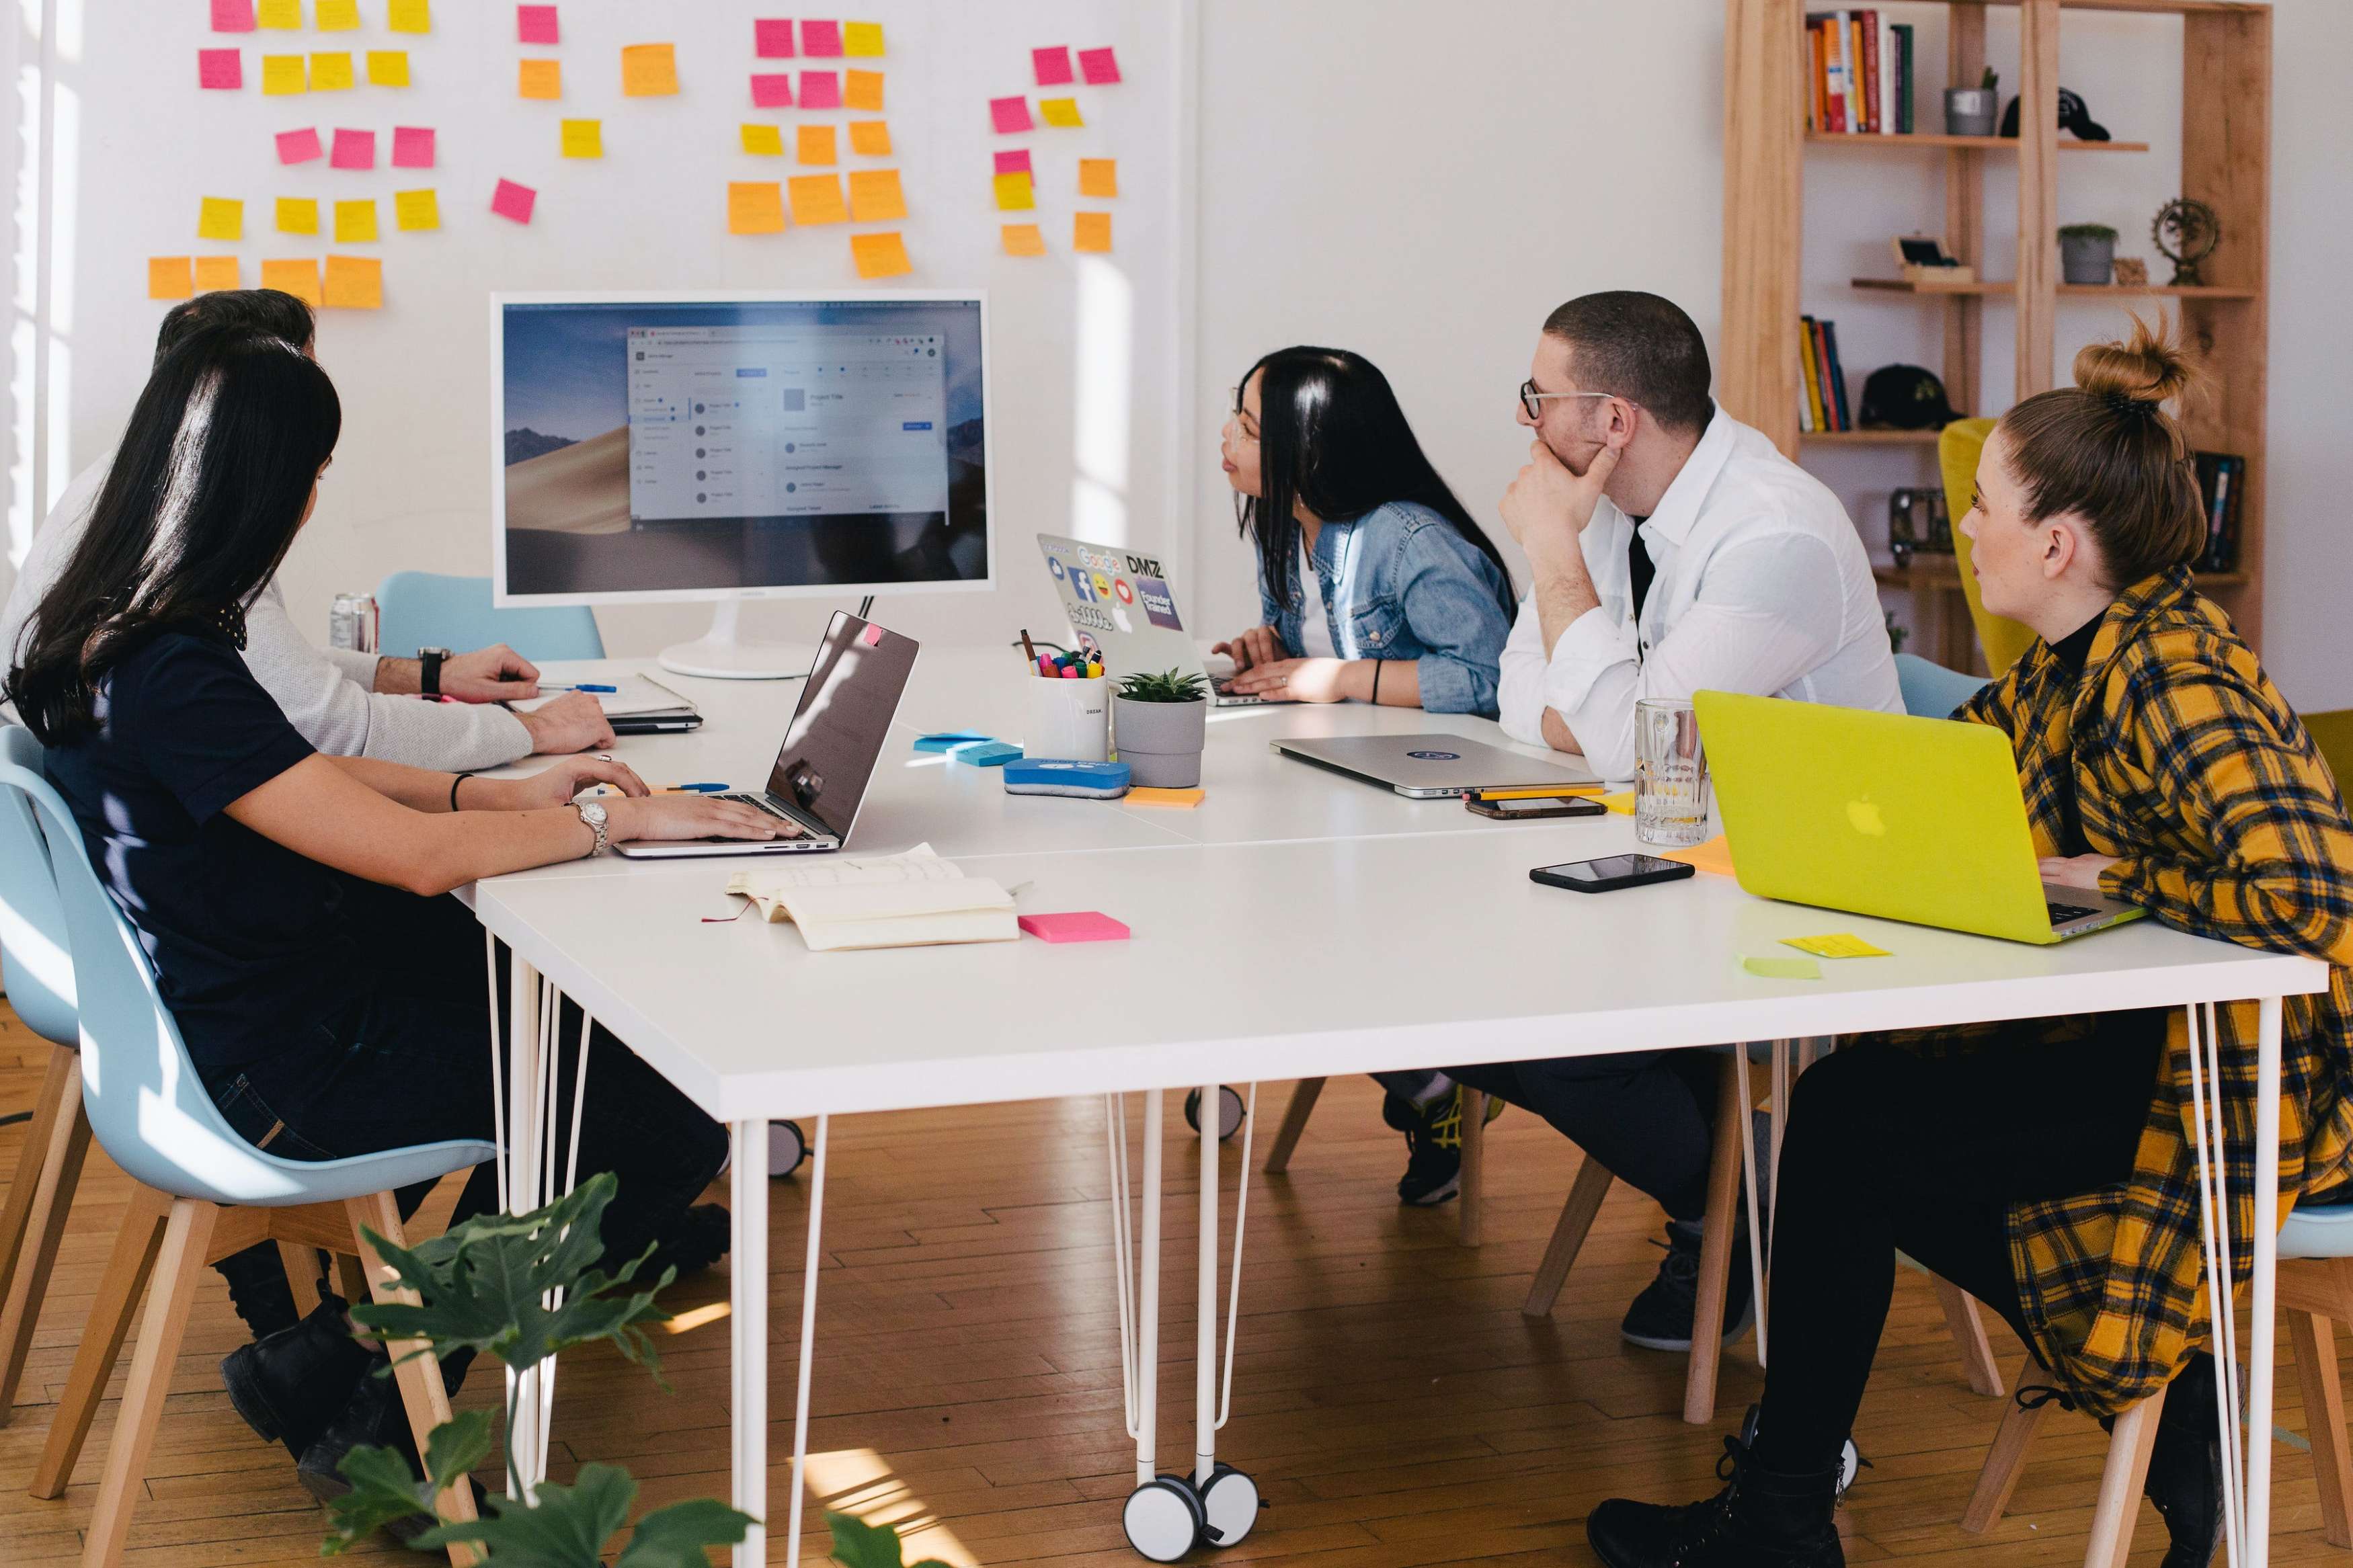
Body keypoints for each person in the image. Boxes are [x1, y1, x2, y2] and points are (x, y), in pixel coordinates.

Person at [1586, 319, 2353, 1568]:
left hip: (2246, 1078)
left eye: (1983, 506)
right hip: (2142, 1036)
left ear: (2056, 542)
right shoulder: (2070, 663)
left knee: (1849, 1128)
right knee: (1858, 1127)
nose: (1963, 528)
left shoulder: (2175, 672)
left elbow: (2322, 890)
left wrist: (2116, 873)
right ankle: (2173, 1424)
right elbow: (1950, 782)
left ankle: (1785, 1519)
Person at [3, 326, 792, 1524]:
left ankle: (319, 1361)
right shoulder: (179, 666)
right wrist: (606, 823)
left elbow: (309, 780)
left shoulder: (114, 628)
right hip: (278, 1062)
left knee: (566, 1021)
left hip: (247, 994)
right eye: (316, 471)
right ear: (277, 483)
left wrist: (494, 790)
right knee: (655, 1106)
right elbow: (418, 861)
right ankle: (386, 1431)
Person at [1410, 293, 1904, 1356]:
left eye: (1540, 399)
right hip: (1691, 857)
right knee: (1464, 1006)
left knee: (1536, 1029)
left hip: (1803, 887)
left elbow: (1628, 743)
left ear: (1613, 422)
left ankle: (1736, 1205)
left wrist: (1553, 558)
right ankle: (1726, 1188)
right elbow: (1538, 711)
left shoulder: (1772, 537)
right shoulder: (1645, 520)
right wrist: (1576, 577)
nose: (1528, 420)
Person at [0, 288, 613, 769]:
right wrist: (529, 731)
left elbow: (257, 668)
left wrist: (432, 676)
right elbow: (333, 728)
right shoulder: (188, 529)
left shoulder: (126, 490)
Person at [1211, 346, 1516, 716]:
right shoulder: (1283, 524)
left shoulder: (1409, 540)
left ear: (1308, 451)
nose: (1229, 433)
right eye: (1236, 416)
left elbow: (1488, 678)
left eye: (1248, 428)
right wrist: (1280, 655)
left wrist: (1341, 678)